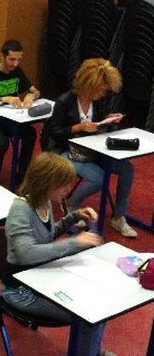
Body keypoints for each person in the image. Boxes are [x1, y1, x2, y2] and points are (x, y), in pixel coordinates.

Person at [3, 152, 115, 356]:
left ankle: (91, 351)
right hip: (20, 290)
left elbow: (47, 236)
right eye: (63, 184)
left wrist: (73, 218)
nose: (67, 189)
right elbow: (26, 253)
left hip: (40, 277)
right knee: (88, 316)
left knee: (100, 301)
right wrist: (76, 242)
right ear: (45, 182)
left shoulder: (44, 203)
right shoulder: (21, 208)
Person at [47, 58, 136, 238]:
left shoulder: (99, 102)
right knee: (99, 177)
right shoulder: (65, 101)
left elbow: (100, 127)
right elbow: (53, 132)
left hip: (91, 150)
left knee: (127, 168)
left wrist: (110, 120)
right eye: (101, 89)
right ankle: (73, 204)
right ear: (89, 84)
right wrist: (76, 128)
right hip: (65, 150)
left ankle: (119, 216)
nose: (104, 93)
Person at [0, 39, 41, 184]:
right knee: (1, 142)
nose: (15, 64)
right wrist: (3, 99)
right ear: (2, 57)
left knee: (30, 134)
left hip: (8, 118)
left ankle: (21, 176)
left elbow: (35, 91)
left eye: (18, 60)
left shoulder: (17, 71)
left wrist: (30, 95)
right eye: (12, 59)